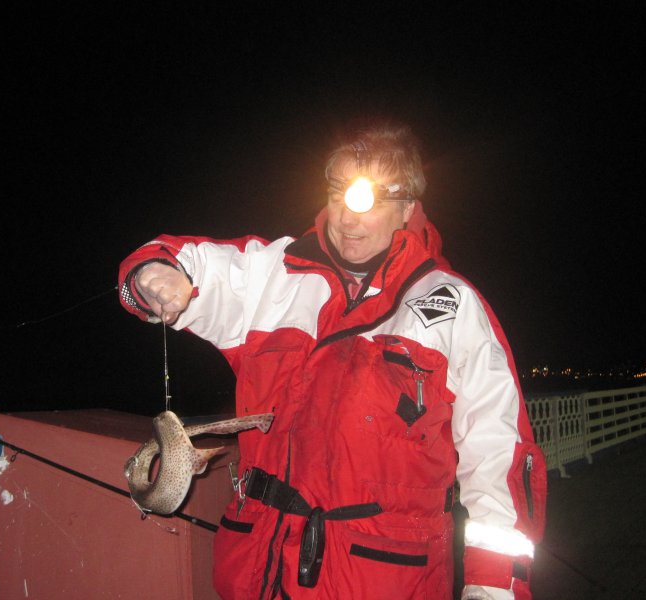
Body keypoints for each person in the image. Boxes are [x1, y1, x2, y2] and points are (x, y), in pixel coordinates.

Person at [118, 122, 546, 600]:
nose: (347, 216)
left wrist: (494, 588)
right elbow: (178, 260)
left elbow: (499, 457)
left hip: (387, 580)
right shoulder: (275, 275)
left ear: (406, 208)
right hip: (260, 571)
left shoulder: (451, 305)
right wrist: (156, 276)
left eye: (368, 200)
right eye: (337, 193)